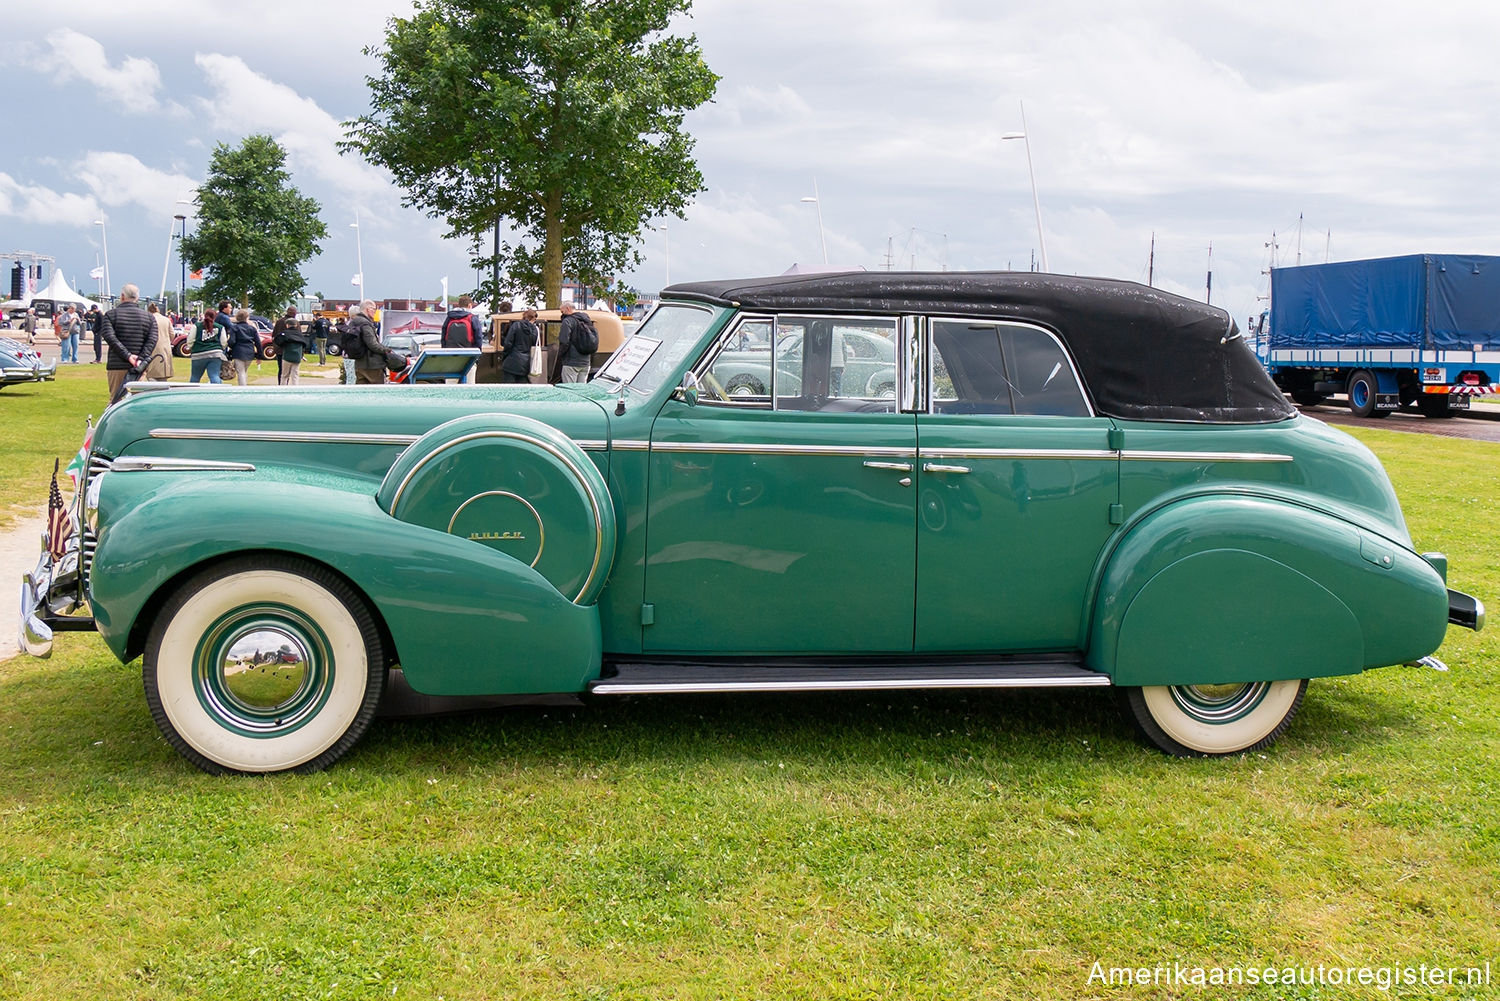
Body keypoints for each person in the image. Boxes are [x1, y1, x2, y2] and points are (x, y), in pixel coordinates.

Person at [100, 283, 158, 404]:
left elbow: (110, 337)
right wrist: (140, 359)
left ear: (122, 296)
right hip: (139, 366)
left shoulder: (110, 315)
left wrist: (127, 355)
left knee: (116, 400)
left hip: (117, 364)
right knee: (138, 401)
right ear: (137, 298)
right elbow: (152, 340)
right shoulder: (149, 317)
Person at [349, 300, 392, 384]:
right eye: (374, 309)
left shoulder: (353, 323)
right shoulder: (365, 324)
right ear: (368, 309)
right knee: (377, 392)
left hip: (359, 363)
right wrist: (387, 350)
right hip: (372, 365)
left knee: (361, 392)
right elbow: (373, 345)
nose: (375, 312)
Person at [552, 302, 592, 383]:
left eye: (562, 312)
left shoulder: (568, 321)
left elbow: (564, 341)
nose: (562, 314)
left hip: (571, 362)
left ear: (568, 309)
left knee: (569, 389)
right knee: (581, 390)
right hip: (586, 362)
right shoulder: (586, 320)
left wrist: (561, 355)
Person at [186, 306, 227, 383]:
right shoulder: (220, 327)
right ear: (215, 317)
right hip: (215, 354)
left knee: (195, 377)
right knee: (214, 376)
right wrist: (221, 349)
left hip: (198, 354)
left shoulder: (197, 326)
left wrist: (191, 348)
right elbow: (224, 342)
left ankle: (192, 393)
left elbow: (190, 339)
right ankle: (217, 394)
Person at [498, 308, 538, 384]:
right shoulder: (535, 330)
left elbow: (508, 343)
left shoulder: (516, 325)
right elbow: (534, 344)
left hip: (511, 361)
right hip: (525, 364)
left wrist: (504, 355)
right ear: (534, 319)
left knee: (508, 389)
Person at [272, 307, 309, 385]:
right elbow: (300, 338)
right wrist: (302, 353)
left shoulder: (279, 321)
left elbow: (274, 335)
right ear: (294, 314)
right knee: (294, 373)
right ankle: (293, 388)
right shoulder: (296, 324)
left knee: (282, 371)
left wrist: (276, 346)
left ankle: (281, 386)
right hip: (294, 350)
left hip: (280, 350)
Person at [144, 302, 175, 381]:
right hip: (165, 348)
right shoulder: (166, 320)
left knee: (151, 372)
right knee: (163, 374)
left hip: (151, 348)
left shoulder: (147, 319)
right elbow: (172, 334)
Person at [227, 308, 259, 386]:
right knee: (244, 371)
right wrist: (259, 355)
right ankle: (244, 386)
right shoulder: (252, 329)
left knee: (240, 372)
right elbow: (258, 342)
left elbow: (232, 341)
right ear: (247, 318)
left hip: (238, 352)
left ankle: (243, 388)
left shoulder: (234, 328)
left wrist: (231, 347)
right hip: (250, 352)